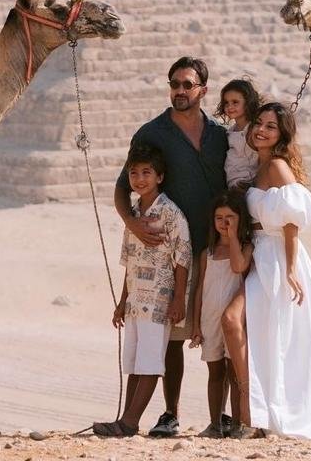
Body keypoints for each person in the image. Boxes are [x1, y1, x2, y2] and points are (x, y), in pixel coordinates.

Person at [222, 101, 311, 441]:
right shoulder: (259, 167)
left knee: (269, 335)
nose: (261, 130)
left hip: (279, 260)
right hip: (261, 257)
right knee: (249, 329)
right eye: (260, 124)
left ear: (281, 135)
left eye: (271, 126)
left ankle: (258, 415)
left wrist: (292, 268)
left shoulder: (278, 167)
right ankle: (254, 410)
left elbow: (292, 220)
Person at [114, 56, 229, 437]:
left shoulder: (219, 135)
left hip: (215, 249)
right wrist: (131, 222)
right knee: (170, 339)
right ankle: (170, 413)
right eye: (174, 84)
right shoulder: (152, 134)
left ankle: (225, 416)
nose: (180, 91)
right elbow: (122, 186)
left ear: (203, 90)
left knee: (221, 333)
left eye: (187, 84)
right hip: (169, 253)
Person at [93, 142, 193, 438]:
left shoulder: (171, 214)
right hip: (136, 299)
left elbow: (183, 258)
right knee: (136, 363)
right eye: (134, 173)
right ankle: (125, 419)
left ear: (159, 176)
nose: (139, 179)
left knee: (149, 362)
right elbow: (130, 262)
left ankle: (129, 424)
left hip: (159, 299)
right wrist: (122, 302)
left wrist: (178, 300)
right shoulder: (134, 215)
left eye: (146, 172)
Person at [189, 190, 254, 438]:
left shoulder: (246, 248)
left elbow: (238, 267)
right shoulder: (208, 253)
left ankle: (238, 422)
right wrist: (196, 324)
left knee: (234, 371)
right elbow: (199, 290)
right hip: (209, 320)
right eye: (219, 217)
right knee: (215, 373)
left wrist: (234, 238)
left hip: (234, 323)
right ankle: (215, 424)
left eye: (230, 217)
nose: (224, 222)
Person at [217, 78, 261, 190]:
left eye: (235, 102)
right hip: (232, 185)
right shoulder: (231, 130)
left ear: (248, 102)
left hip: (248, 186)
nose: (229, 107)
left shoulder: (253, 130)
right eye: (226, 103)